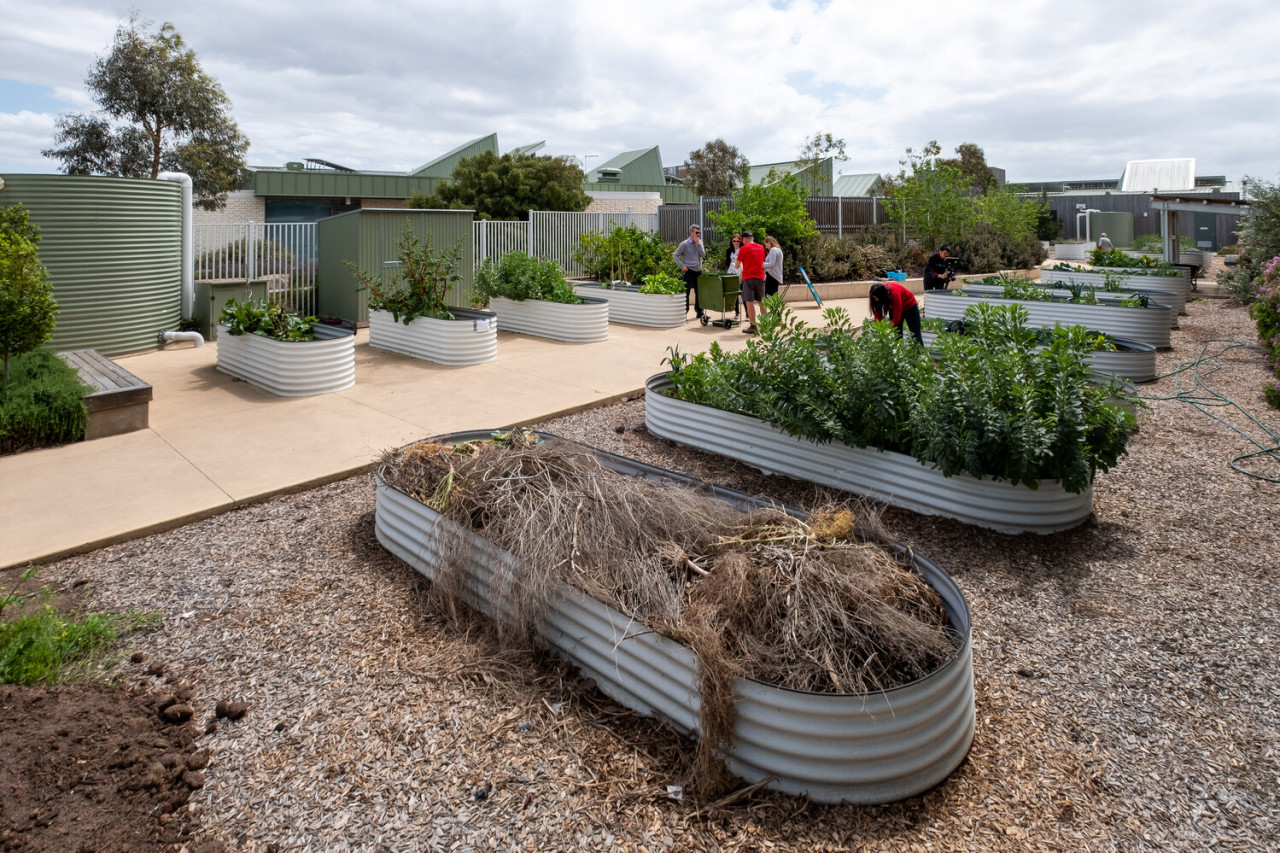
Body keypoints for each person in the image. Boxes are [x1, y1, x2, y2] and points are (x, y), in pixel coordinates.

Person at [736, 231, 767, 334]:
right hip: (760, 277)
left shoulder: (743, 249)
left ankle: (753, 326)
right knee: (761, 302)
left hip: (748, 278)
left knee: (749, 302)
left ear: (744, 239)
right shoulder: (761, 247)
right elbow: (761, 261)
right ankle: (766, 326)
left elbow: (737, 265)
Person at [673, 224, 706, 320]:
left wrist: (699, 244)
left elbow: (703, 255)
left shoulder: (700, 242)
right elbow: (675, 255)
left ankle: (700, 312)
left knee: (699, 292)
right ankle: (684, 312)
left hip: (698, 271)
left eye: (699, 233)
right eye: (696, 232)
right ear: (691, 232)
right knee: (686, 292)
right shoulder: (684, 244)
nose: (698, 234)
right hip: (689, 271)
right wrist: (682, 265)